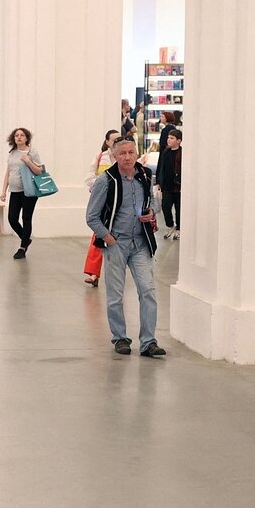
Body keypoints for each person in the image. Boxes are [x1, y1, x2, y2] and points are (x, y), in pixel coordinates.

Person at [85, 138, 165, 357]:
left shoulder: (145, 175)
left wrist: (151, 212)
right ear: (114, 156)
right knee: (115, 295)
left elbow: (153, 202)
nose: (128, 157)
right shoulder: (106, 181)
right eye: (122, 153)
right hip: (116, 243)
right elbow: (91, 216)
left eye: (131, 152)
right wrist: (108, 238)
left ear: (136, 153)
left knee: (148, 290)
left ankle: (148, 341)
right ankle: (120, 337)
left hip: (140, 243)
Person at [0, 127, 45, 260]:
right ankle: (26, 239)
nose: (19, 137)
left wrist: (28, 161)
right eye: (16, 135)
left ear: (26, 138)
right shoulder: (12, 152)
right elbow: (8, 172)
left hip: (29, 191)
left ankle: (22, 247)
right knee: (12, 218)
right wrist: (3, 191)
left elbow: (39, 171)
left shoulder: (32, 152)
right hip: (14, 190)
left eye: (22, 135)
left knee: (26, 218)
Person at [83, 130, 120, 286]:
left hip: (119, 204)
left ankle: (116, 273)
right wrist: (102, 185)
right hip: (103, 203)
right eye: (114, 139)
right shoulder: (100, 157)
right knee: (98, 235)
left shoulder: (123, 157)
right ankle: (93, 272)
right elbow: (89, 178)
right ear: (107, 142)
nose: (117, 141)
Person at [157, 129, 182, 240]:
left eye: (172, 138)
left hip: (178, 186)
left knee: (179, 208)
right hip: (166, 185)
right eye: (168, 138)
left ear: (179, 141)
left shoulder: (182, 153)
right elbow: (161, 166)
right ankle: (170, 225)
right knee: (165, 206)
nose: (168, 140)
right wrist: (159, 182)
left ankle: (179, 229)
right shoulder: (165, 152)